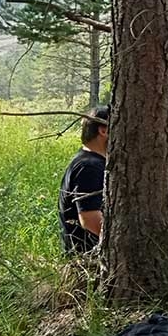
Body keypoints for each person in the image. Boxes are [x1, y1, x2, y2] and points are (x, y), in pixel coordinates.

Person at [58, 105, 110, 255]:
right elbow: (90, 220)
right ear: (103, 130)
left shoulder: (89, 161)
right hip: (89, 259)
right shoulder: (89, 167)